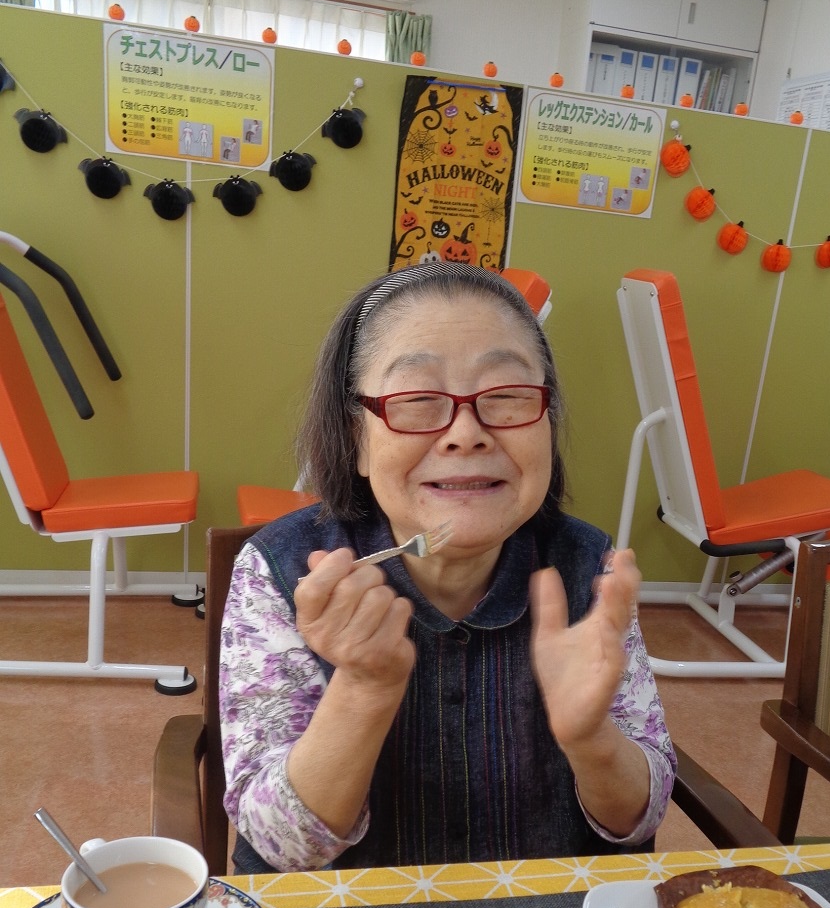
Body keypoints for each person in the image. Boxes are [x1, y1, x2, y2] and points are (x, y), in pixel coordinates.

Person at [220, 263, 676, 873]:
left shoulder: (589, 569)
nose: (466, 433)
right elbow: (283, 849)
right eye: (417, 401)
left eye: (507, 397)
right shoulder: (283, 572)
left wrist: (593, 740)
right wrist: (363, 689)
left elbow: (638, 820)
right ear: (356, 438)